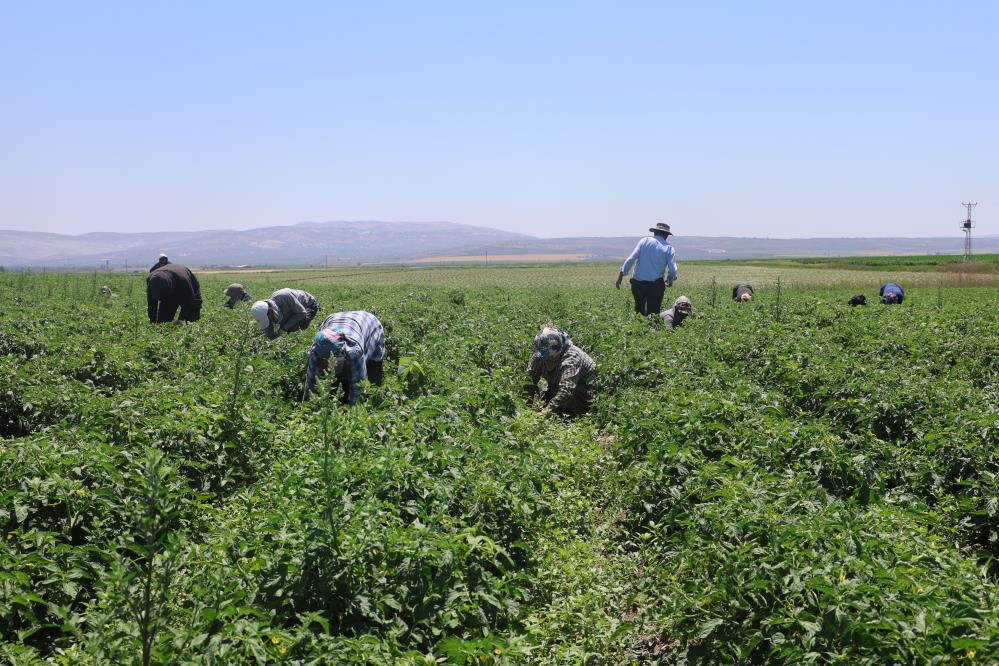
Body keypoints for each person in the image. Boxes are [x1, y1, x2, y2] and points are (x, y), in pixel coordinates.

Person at [303, 311, 385, 404]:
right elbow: (311, 383)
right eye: (324, 365)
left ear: (342, 356)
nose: (328, 369)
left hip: (370, 324)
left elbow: (359, 389)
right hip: (335, 318)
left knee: (372, 380)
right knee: (334, 381)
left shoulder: (354, 352)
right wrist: (307, 407)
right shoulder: (315, 352)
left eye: (334, 364)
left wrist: (354, 414)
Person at [526, 326, 597, 417]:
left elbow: (567, 390)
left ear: (559, 350)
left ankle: (572, 416)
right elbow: (529, 380)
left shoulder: (571, 357)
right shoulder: (539, 355)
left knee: (569, 405)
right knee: (544, 399)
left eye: (550, 356)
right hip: (556, 387)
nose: (546, 359)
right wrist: (527, 403)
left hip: (582, 392)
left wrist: (546, 412)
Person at [616, 223, 678, 315]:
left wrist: (621, 275)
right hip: (656, 286)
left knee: (639, 311)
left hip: (638, 284)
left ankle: (639, 327)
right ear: (666, 235)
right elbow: (673, 270)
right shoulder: (669, 248)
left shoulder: (644, 241)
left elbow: (631, 258)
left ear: (655, 232)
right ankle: (651, 328)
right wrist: (669, 281)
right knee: (653, 314)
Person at [250, 288, 319, 339]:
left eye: (268, 318)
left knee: (295, 327)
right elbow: (267, 325)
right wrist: (271, 338)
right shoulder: (265, 309)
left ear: (270, 311)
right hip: (293, 310)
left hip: (308, 304)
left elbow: (302, 313)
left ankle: (303, 335)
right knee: (285, 324)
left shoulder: (284, 296)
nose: (269, 320)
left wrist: (284, 328)